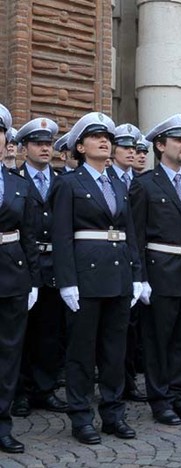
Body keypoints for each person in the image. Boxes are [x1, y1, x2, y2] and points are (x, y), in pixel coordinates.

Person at [52, 111, 142, 444]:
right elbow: (61, 236)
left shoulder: (118, 182)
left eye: (108, 138)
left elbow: (129, 232)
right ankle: (80, 416)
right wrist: (67, 282)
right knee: (81, 352)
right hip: (85, 278)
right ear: (79, 147)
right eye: (95, 137)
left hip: (117, 276)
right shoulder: (69, 183)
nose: (105, 142)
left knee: (114, 350)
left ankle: (113, 413)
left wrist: (136, 273)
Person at [130, 114, 181, 426]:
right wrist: (141, 278)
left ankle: (180, 395)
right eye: (178, 140)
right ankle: (160, 399)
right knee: (158, 341)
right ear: (160, 146)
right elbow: (136, 237)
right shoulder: (145, 185)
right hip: (160, 272)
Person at [12, 118, 68, 418]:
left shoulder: (62, 181)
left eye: (48, 144)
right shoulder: (14, 179)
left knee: (50, 331)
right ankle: (20, 392)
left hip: (55, 265)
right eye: (38, 143)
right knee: (22, 333)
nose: (45, 148)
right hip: (23, 265)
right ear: (24, 148)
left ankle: (45, 389)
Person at [0, 104, 40, 454]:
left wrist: (33, 280)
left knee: (9, 352)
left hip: (12, 272)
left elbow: (28, 235)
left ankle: (2, 422)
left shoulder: (17, 184)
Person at [106, 123, 148, 402]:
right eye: (126, 148)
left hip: (140, 259)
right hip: (111, 262)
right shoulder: (107, 178)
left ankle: (129, 378)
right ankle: (116, 381)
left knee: (135, 328)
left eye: (135, 148)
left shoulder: (141, 180)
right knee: (116, 330)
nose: (132, 153)